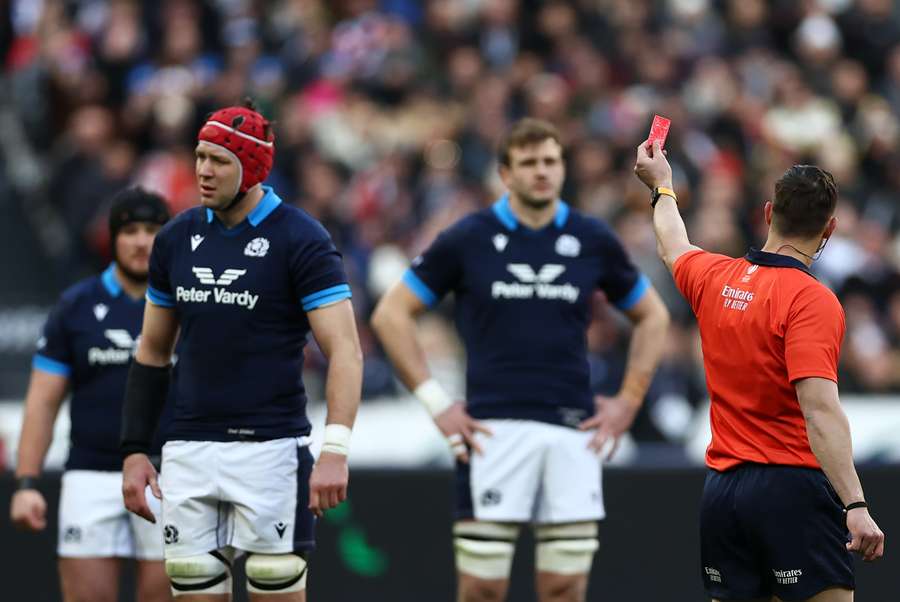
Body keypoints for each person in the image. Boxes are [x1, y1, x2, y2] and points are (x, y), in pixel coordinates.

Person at [371, 118, 671, 602]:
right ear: (505, 174)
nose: (541, 172)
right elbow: (391, 315)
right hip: (491, 430)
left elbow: (653, 317)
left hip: (574, 427)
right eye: (528, 163)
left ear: (563, 168)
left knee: (564, 588)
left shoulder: (591, 238)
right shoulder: (468, 237)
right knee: (482, 589)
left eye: (550, 161)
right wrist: (436, 403)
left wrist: (628, 401)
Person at [119, 99, 363, 602]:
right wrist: (134, 448)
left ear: (251, 168)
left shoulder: (302, 239)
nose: (204, 171)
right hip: (187, 449)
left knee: (275, 584)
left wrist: (335, 450)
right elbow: (152, 352)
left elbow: (345, 351)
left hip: (271, 448)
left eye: (220, 161)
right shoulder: (175, 239)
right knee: (191, 582)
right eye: (200, 156)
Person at [633, 141, 885, 602]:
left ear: (768, 213)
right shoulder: (811, 299)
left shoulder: (716, 277)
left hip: (723, 493)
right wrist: (856, 503)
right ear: (829, 229)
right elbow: (820, 409)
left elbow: (673, 246)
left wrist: (663, 187)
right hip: (792, 489)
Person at [10, 187, 173, 602]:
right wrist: (27, 482)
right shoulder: (76, 306)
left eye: (152, 230)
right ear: (113, 237)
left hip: (169, 477)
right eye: (130, 229)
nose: (141, 241)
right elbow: (43, 401)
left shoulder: (185, 303)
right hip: (90, 474)